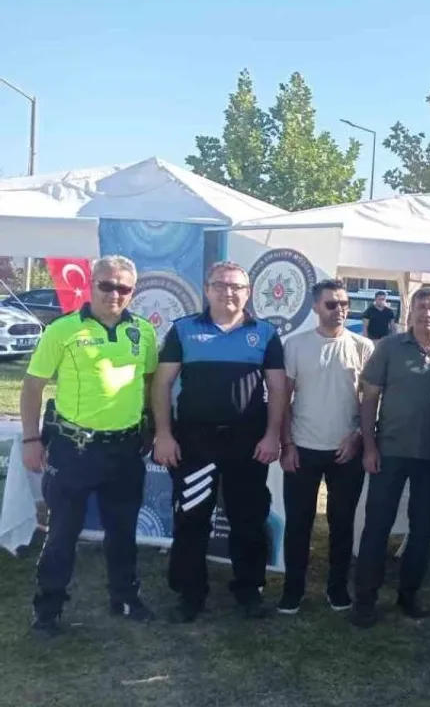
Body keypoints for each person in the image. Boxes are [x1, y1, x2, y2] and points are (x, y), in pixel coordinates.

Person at [20, 255, 158, 635]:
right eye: (107, 285)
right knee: (63, 532)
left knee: (123, 530)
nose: (115, 294)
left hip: (125, 449)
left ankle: (125, 598)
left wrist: (151, 427)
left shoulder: (144, 331)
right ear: (91, 284)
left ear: (133, 291)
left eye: (123, 287)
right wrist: (31, 439)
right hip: (73, 449)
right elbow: (32, 386)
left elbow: (149, 382)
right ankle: (48, 607)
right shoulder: (63, 329)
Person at [151, 261, 286, 623]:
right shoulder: (183, 330)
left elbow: (277, 389)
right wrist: (163, 434)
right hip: (196, 442)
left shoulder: (265, 334)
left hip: (248, 443)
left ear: (248, 292)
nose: (229, 292)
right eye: (221, 285)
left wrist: (272, 435)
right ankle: (190, 595)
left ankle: (249, 590)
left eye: (237, 286)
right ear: (207, 289)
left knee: (249, 518)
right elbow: (162, 384)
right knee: (192, 517)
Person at [350, 286, 430, 628]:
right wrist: (369, 446)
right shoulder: (389, 347)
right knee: (377, 527)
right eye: (421, 307)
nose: (428, 314)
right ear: (410, 312)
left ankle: (409, 596)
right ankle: (366, 599)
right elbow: (369, 398)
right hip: (389, 452)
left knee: (422, 530)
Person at [277, 279, 374, 614]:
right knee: (298, 524)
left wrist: (358, 435)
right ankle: (292, 590)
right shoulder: (295, 345)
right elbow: (283, 399)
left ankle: (337, 588)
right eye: (332, 304)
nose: (340, 310)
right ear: (316, 307)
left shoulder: (363, 346)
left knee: (342, 524)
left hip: (347, 450)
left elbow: (371, 401)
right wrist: (287, 443)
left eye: (345, 304)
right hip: (303, 447)